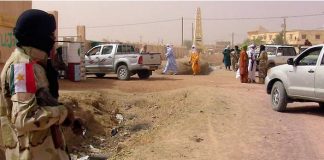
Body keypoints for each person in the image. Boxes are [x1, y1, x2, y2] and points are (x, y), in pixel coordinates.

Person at [0, 9, 75, 160]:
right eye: (50, 34)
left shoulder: (32, 63)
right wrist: (63, 112)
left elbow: (39, 103)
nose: (53, 38)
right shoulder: (23, 68)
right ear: (38, 36)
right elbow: (25, 118)